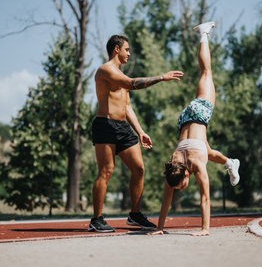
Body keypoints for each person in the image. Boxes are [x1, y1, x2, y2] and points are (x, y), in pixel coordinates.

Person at [149, 21, 240, 237]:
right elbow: (166, 201)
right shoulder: (174, 168)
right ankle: (230, 162)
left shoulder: (196, 166)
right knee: (209, 151)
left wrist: (205, 229)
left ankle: (204, 33)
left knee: (206, 72)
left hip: (199, 113)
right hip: (185, 121)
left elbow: (205, 197)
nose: (181, 188)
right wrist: (159, 229)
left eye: (182, 186)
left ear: (187, 174)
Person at [89, 35, 184, 232]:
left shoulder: (120, 75)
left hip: (123, 127)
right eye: (127, 50)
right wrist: (161, 77)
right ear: (116, 49)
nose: (129, 53)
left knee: (139, 169)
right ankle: (96, 219)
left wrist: (140, 131)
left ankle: (134, 214)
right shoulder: (105, 70)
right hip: (105, 124)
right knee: (106, 171)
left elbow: (128, 107)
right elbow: (133, 84)